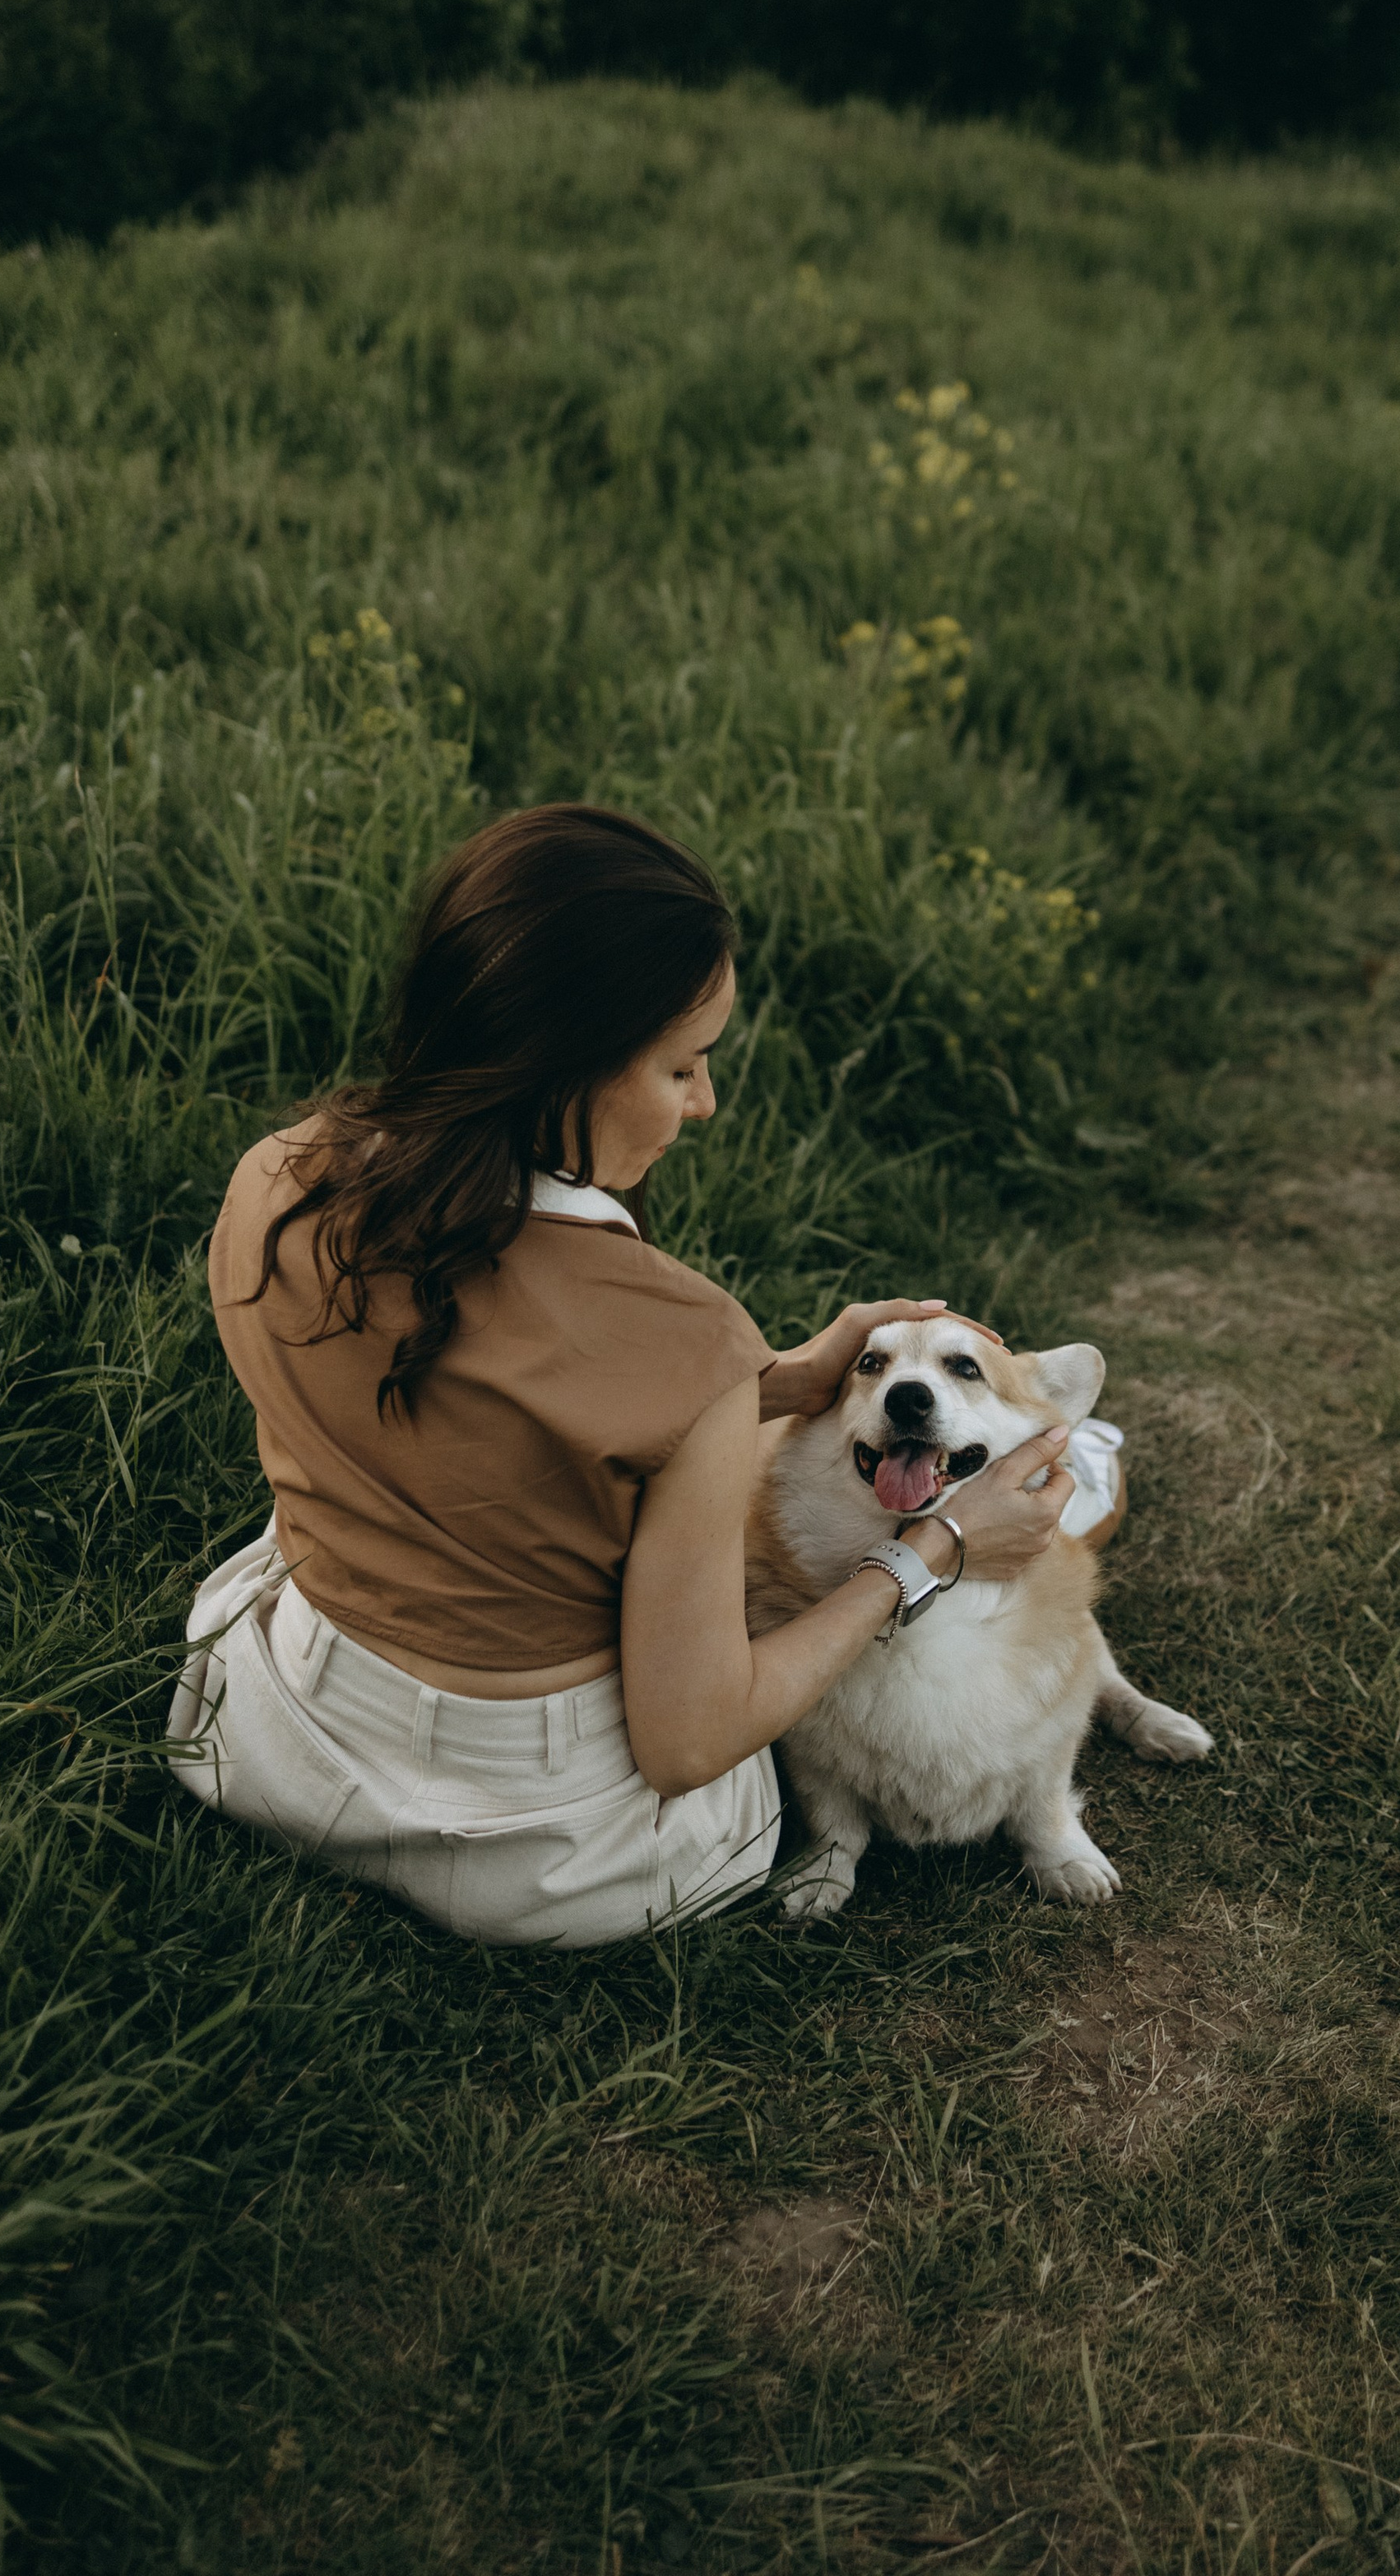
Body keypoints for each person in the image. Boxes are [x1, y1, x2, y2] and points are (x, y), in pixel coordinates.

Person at [170, 801, 1076, 1946]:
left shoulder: (277, 1179)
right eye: (685, 1065)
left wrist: (779, 1384)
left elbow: (487, 1420)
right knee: (739, 1768)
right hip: (544, 1858)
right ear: (566, 1064)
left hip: (266, 1733)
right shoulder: (682, 1341)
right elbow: (690, 1739)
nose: (704, 1102)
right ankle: (1083, 1462)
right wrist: (932, 1550)